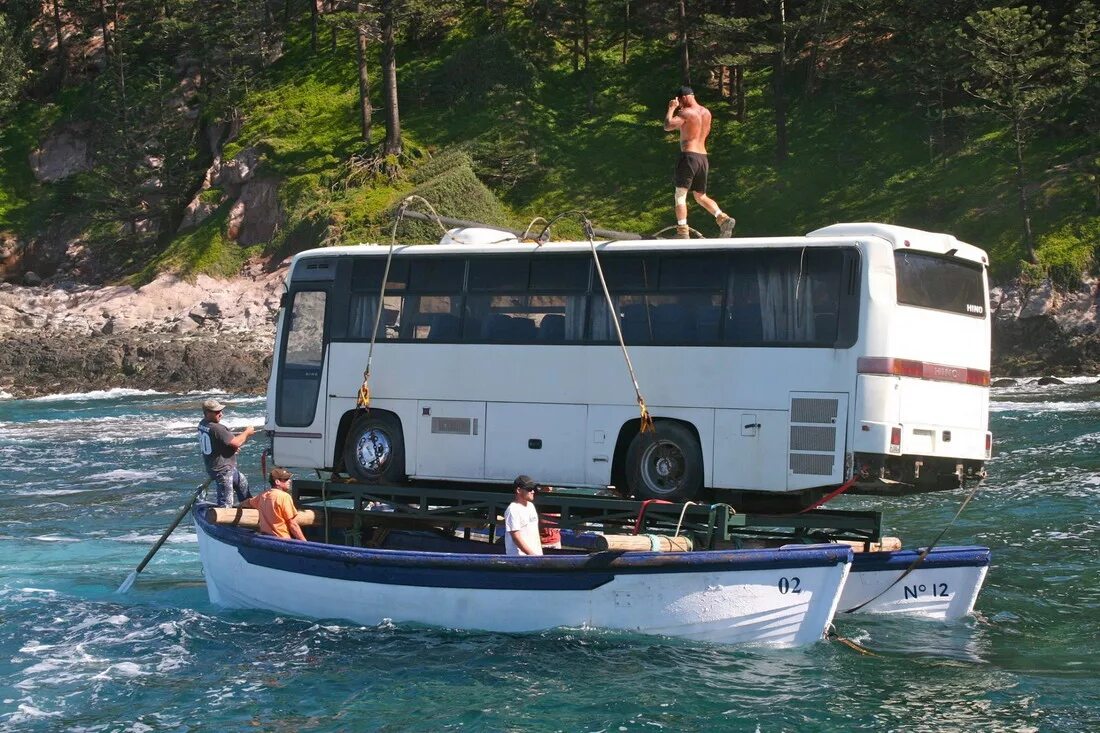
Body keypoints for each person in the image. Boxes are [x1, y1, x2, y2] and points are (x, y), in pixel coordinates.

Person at [663, 85, 735, 239]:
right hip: (703, 157)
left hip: (689, 156)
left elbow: (668, 126)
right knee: (700, 195)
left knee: (680, 195)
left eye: (679, 101)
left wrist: (671, 108)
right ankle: (722, 218)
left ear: (683, 98)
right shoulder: (706, 113)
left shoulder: (686, 112)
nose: (679, 104)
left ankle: (682, 230)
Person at [197, 398, 256, 508]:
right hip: (223, 471)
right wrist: (247, 432)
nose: (220, 414)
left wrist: (229, 449)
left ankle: (249, 508)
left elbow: (215, 442)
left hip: (215, 467)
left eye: (220, 411)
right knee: (226, 504)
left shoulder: (203, 424)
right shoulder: (218, 428)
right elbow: (236, 443)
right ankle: (223, 521)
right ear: (207, 413)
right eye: (216, 412)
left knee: (242, 483)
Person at [241, 467, 306, 541]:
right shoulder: (284, 497)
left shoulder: (263, 496)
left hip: (266, 538)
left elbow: (248, 502)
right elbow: (292, 524)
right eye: (286, 479)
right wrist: (305, 543)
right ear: (277, 482)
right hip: (281, 539)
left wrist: (239, 505)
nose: (289, 481)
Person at [504, 475, 543, 556]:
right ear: (518, 490)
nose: (533, 491)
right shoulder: (513, 510)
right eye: (529, 489)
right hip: (520, 560)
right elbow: (516, 537)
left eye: (533, 489)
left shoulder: (531, 506)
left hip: (536, 558)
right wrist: (531, 555)